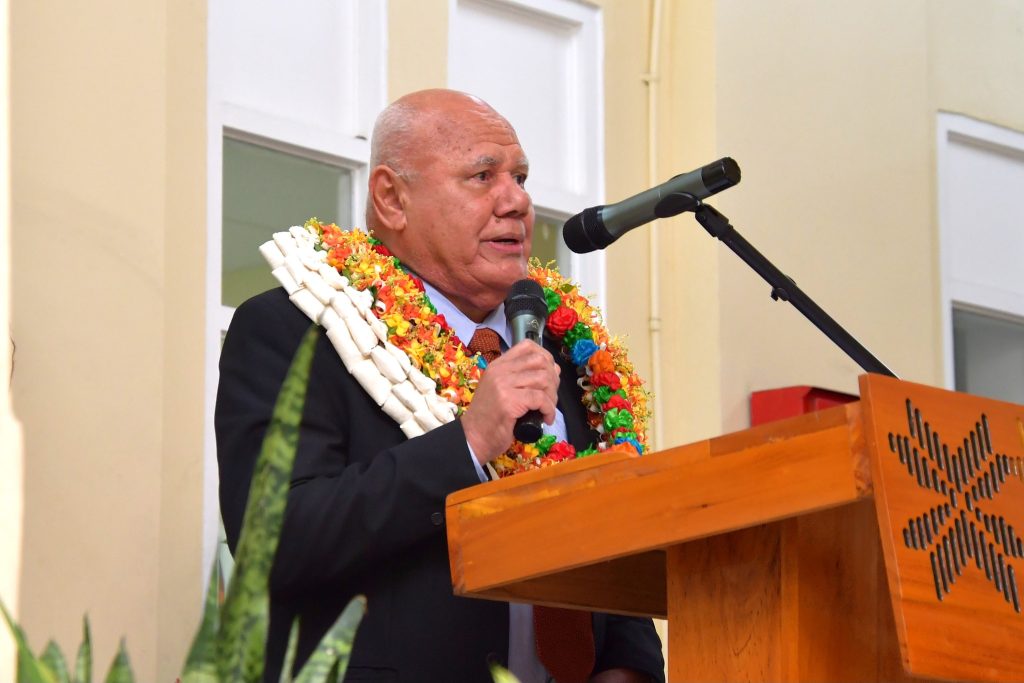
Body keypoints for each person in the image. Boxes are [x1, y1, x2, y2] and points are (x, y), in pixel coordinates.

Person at [216, 89, 665, 683]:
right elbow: (273, 541)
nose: (517, 201)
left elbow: (611, 540)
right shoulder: (297, 332)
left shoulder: (569, 354)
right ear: (391, 198)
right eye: (482, 176)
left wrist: (627, 666)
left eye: (521, 177)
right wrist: (469, 442)